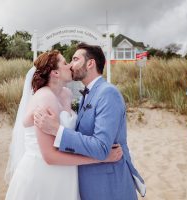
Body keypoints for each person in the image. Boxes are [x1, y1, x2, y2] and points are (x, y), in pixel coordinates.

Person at [4, 50, 123, 200]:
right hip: (45, 175)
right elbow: (50, 156)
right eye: (65, 63)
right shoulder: (45, 97)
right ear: (55, 73)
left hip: (64, 173)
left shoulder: (66, 94)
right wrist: (101, 158)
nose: (70, 66)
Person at [34, 43, 146, 200]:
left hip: (108, 186)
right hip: (90, 185)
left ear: (90, 63)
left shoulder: (108, 93)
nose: (71, 65)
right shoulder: (87, 94)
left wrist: (57, 130)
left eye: (75, 59)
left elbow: (101, 147)